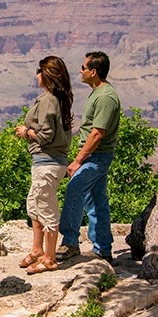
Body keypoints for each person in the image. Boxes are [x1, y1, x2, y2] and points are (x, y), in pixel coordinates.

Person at [57, 51, 121, 263]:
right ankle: (103, 248)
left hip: (97, 156)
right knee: (96, 201)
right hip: (96, 155)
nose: (80, 71)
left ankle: (70, 242)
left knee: (75, 188)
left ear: (93, 72)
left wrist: (77, 161)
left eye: (83, 68)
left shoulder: (105, 97)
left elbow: (97, 133)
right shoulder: (99, 93)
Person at [14, 56, 73, 274]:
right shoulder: (55, 98)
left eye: (39, 71)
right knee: (35, 203)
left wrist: (26, 132)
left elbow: (46, 134)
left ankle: (49, 259)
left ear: (46, 75)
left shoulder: (49, 100)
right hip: (45, 162)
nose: (36, 75)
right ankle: (37, 249)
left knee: (46, 208)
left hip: (48, 162)